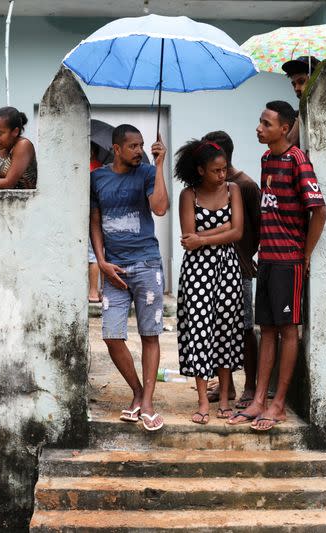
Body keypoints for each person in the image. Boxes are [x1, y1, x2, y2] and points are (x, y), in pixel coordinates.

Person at [229, 101, 326, 431]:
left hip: (288, 262)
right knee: (266, 330)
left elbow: (320, 211)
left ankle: (279, 404)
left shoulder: (297, 161)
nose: (259, 128)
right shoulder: (266, 159)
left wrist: (306, 254)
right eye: (260, 122)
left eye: (266, 124)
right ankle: (259, 400)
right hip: (268, 260)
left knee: (288, 331)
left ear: (284, 129)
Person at [90, 124, 169, 431]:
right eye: (134, 146)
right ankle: (136, 390)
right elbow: (94, 222)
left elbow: (160, 208)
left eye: (142, 145)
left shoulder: (148, 173)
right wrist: (102, 262)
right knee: (111, 335)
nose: (140, 151)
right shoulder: (97, 179)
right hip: (114, 269)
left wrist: (159, 165)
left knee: (150, 334)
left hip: (146, 264)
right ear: (117, 148)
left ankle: (147, 401)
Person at [175, 139, 244, 425]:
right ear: (201, 170)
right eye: (216, 170)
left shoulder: (234, 190)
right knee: (200, 330)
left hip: (228, 268)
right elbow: (187, 242)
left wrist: (204, 237)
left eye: (224, 169)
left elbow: (237, 232)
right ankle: (203, 400)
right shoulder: (187, 195)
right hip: (197, 271)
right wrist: (222, 228)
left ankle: (225, 398)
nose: (222, 175)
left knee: (226, 331)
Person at [202, 131, 261, 410]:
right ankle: (229, 387)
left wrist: (247, 257)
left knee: (245, 328)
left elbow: (258, 228)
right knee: (217, 327)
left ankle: (250, 385)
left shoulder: (245, 186)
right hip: (213, 266)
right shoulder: (211, 186)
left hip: (240, 268)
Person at [281, 56, 320, 148]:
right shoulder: (293, 117)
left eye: (301, 81)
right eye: (294, 84)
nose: (296, 88)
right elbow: (288, 146)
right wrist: (302, 113)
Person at [89, 142, 104, 303]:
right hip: (103, 214)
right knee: (103, 253)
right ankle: (104, 291)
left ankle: (93, 292)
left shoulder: (91, 169)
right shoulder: (102, 168)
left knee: (92, 254)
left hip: (92, 214)